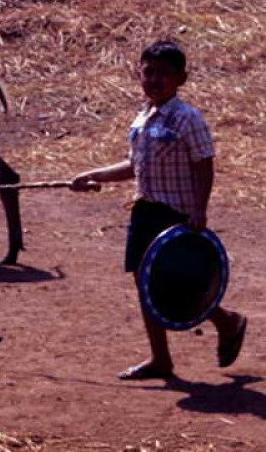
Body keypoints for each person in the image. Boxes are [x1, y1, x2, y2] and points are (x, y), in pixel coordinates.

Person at [71, 39, 247, 380]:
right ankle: (161, 360)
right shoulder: (143, 116)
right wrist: (94, 175)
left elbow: (204, 164)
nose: (153, 79)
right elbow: (134, 165)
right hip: (145, 212)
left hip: (176, 215)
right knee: (146, 283)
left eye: (163, 74)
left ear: (181, 78)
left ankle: (227, 321)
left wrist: (200, 210)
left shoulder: (187, 118)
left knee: (182, 285)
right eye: (148, 72)